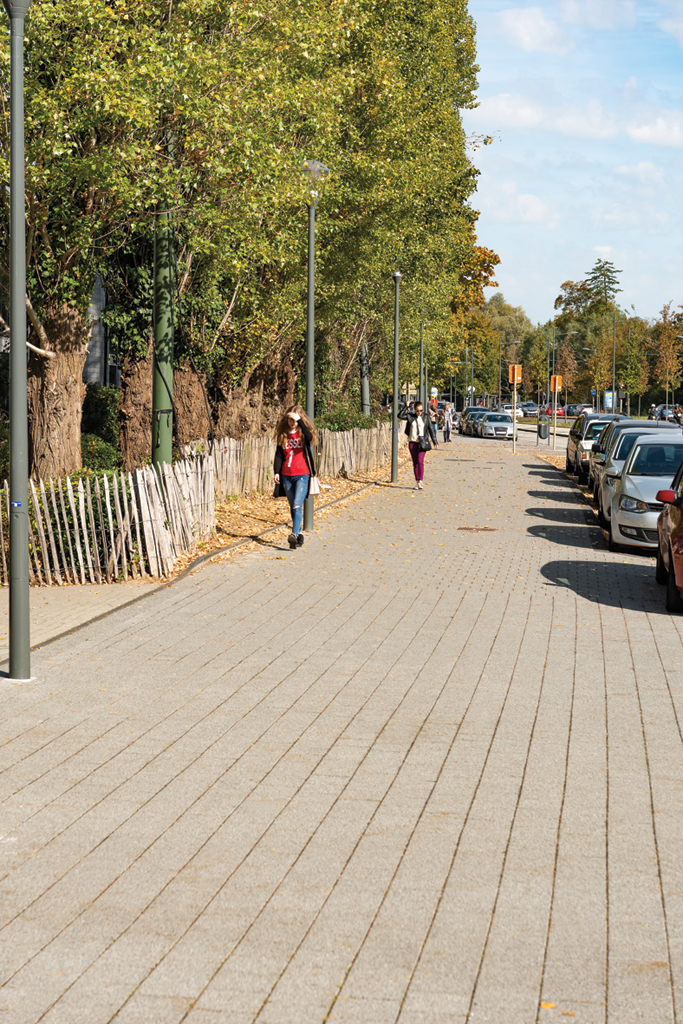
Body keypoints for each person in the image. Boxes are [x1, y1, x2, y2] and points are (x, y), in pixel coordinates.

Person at [273, 405, 318, 549]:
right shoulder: (283, 434)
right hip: (287, 475)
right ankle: (298, 534)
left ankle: (293, 534)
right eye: (289, 419)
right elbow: (279, 455)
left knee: (298, 504)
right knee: (293, 506)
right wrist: (276, 472)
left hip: (302, 475)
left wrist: (300, 421)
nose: (291, 422)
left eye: (294, 419)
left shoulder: (303, 433)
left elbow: (310, 438)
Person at [399, 400, 437, 489]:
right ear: (414, 410)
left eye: (421, 410)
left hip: (422, 442)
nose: (419, 412)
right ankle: (417, 482)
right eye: (417, 410)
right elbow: (400, 416)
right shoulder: (410, 416)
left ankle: (420, 481)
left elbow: (431, 429)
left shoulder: (426, 417)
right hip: (412, 442)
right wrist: (406, 406)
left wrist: (435, 442)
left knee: (420, 461)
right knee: (415, 463)